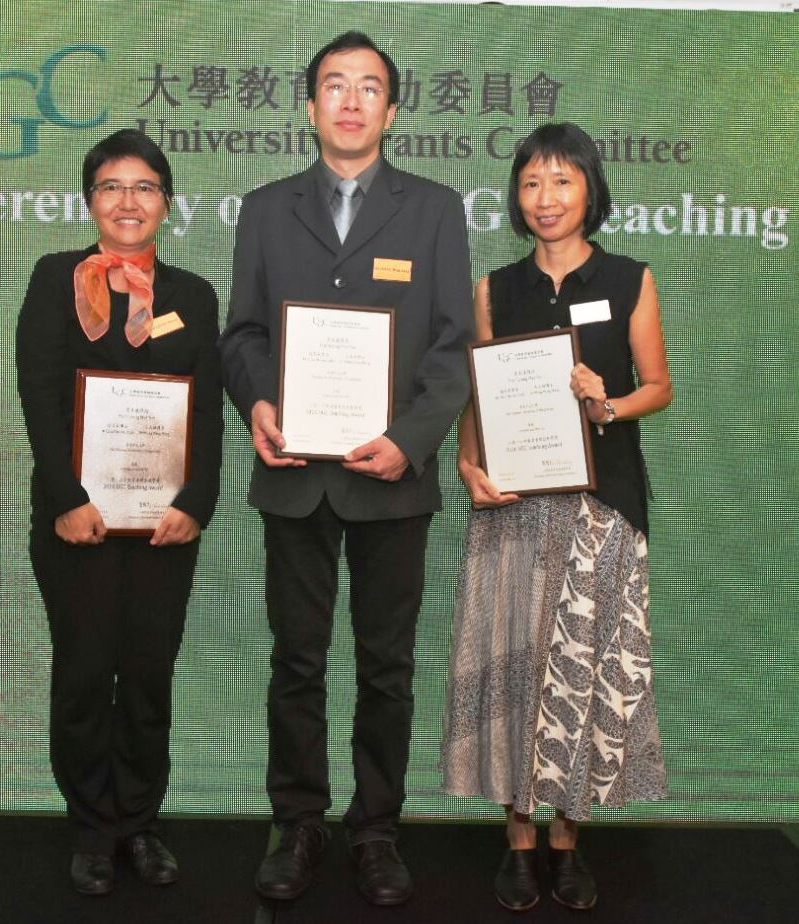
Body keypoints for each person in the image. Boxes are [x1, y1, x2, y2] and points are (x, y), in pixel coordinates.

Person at [219, 30, 474, 907]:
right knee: (294, 661)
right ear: (309, 105)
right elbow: (242, 334)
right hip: (294, 473)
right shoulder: (263, 208)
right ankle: (296, 822)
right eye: (335, 85)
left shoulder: (435, 209)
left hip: (391, 477)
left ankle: (375, 829)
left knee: (385, 665)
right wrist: (254, 400)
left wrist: (409, 438)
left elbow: (452, 348)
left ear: (392, 110)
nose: (352, 100)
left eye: (369, 87)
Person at [439, 122, 674, 912]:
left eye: (562, 181)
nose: (545, 198)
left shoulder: (630, 277)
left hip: (601, 502)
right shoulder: (495, 288)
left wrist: (603, 404)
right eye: (531, 182)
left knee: (582, 668)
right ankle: (515, 838)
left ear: (590, 190)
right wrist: (468, 464)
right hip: (513, 504)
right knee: (514, 670)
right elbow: (477, 391)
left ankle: (568, 841)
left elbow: (658, 386)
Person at [15, 128, 222, 897]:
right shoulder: (52, 279)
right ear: (89, 201)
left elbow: (206, 413)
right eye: (111, 187)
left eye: (144, 187)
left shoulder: (193, 295)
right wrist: (67, 499)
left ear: (166, 203)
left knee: (146, 677)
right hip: (76, 523)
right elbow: (38, 393)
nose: (127, 201)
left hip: (165, 527)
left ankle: (138, 823)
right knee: (82, 674)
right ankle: (92, 830)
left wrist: (195, 505)